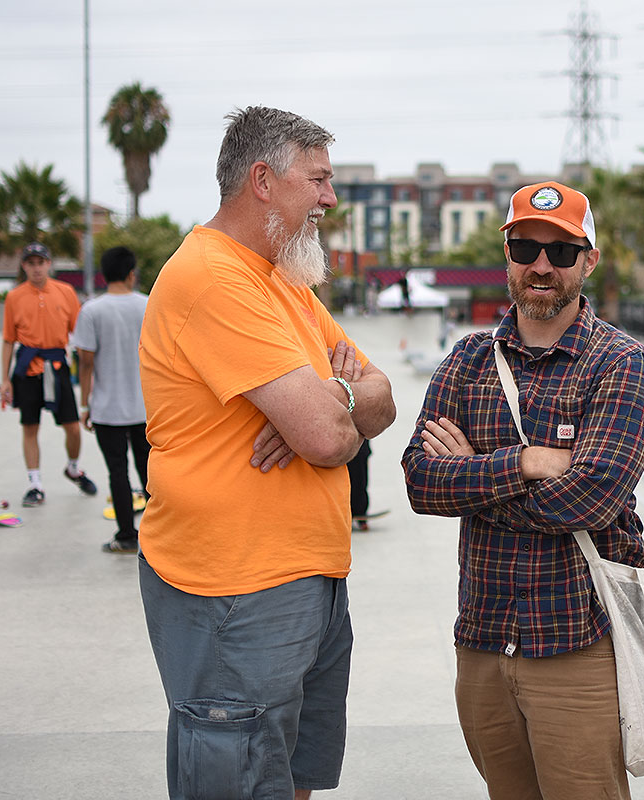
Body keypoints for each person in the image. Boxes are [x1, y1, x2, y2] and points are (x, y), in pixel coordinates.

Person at [137, 106, 396, 799]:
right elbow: (330, 436)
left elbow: (384, 399)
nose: (329, 199)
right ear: (262, 180)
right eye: (317, 180)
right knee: (239, 778)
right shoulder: (214, 277)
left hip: (306, 581)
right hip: (234, 590)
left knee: (288, 777)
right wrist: (337, 404)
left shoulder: (284, 281)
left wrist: (333, 391)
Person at [402, 181, 644, 800]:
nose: (541, 265)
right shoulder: (466, 360)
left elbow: (590, 498)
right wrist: (524, 463)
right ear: (509, 257)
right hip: (483, 643)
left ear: (588, 260)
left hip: (575, 647)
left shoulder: (621, 365)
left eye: (561, 252)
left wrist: (475, 475)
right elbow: (419, 481)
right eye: (525, 248)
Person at [0, 242, 98, 506]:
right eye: (30, 263)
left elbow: (80, 335)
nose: (36, 268)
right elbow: (9, 339)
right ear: (24, 266)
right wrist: (5, 378)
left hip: (57, 365)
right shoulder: (14, 297)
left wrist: (92, 368)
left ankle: (73, 468)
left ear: (49, 263)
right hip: (28, 367)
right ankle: (35, 484)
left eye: (40, 262)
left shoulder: (65, 292)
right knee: (30, 426)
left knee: (72, 427)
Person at [70, 246, 150, 554]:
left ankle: (127, 536)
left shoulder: (92, 310)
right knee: (149, 474)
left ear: (104, 275)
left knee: (117, 472)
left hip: (106, 409)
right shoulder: (146, 304)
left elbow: (85, 362)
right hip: (145, 407)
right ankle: (159, 538)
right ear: (132, 274)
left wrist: (85, 404)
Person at [347, 439, 372, 531]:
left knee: (360, 477)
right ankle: (346, 511)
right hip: (340, 441)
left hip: (359, 442)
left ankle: (361, 512)